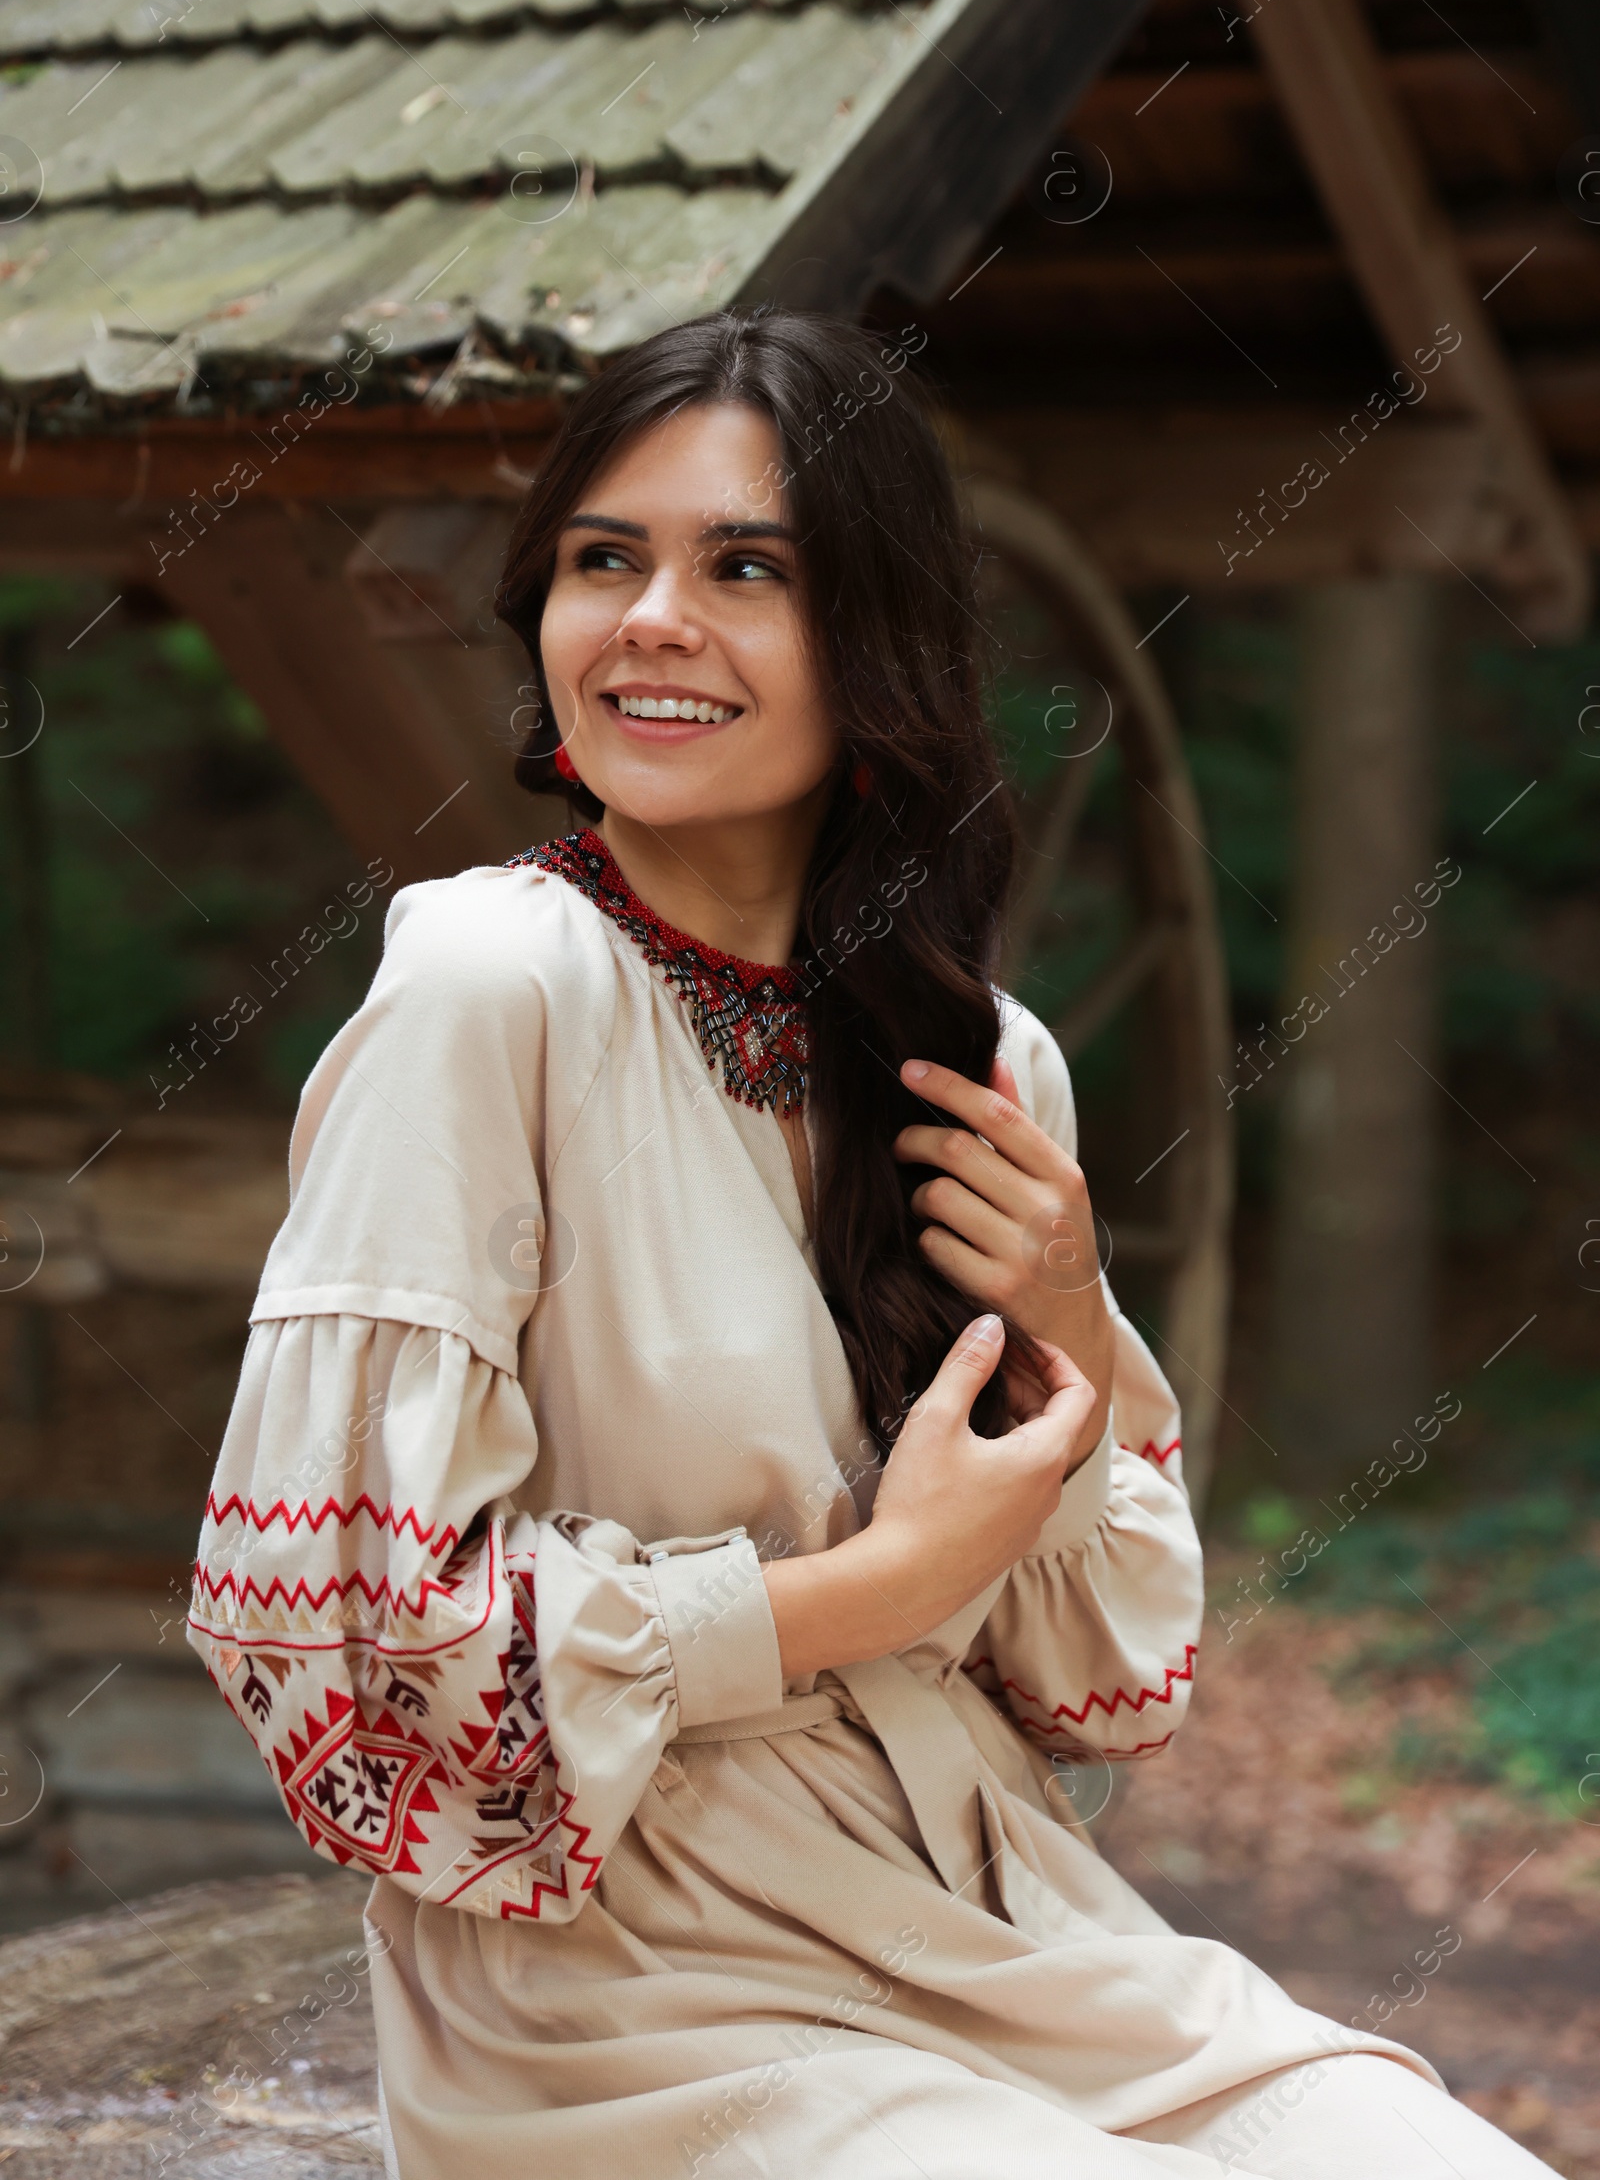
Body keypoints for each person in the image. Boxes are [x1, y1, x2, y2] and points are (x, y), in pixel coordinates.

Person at [189, 309, 1552, 2178]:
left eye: (747, 568)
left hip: (1006, 1926)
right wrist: (863, 1595)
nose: (652, 617)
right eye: (607, 559)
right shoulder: (488, 978)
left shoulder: (988, 1062)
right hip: (620, 1986)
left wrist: (1066, 1322)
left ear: (882, 641)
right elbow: (335, 1648)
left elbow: (1105, 1689)